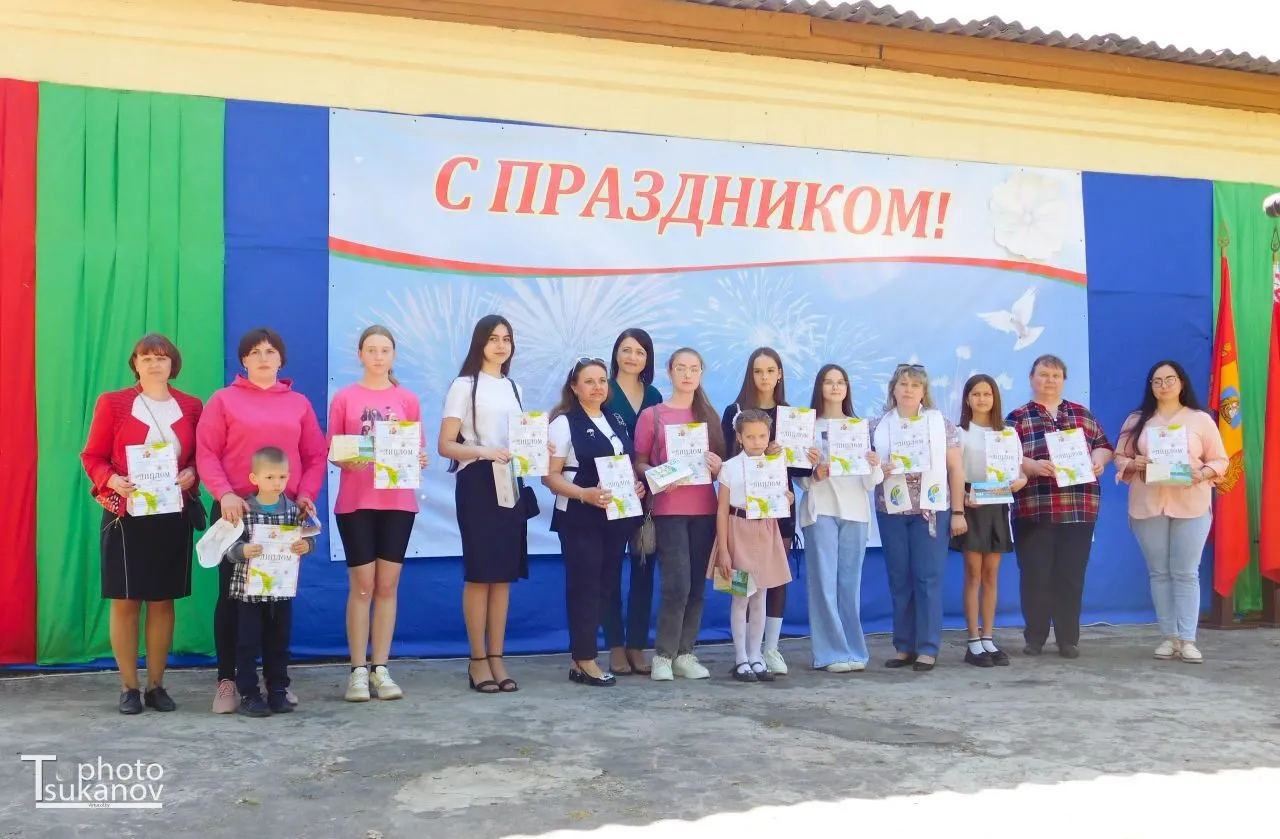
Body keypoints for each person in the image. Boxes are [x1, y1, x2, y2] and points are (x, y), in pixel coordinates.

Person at [196, 327, 327, 713]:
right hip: (236, 513)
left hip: (283, 516)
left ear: (281, 359)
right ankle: (228, 681)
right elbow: (206, 453)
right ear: (243, 360)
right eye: (255, 352)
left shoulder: (299, 404)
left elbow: (315, 455)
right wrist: (225, 493)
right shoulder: (222, 401)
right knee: (232, 599)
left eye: (270, 351)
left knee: (276, 599)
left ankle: (276, 683)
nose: (263, 357)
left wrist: (305, 495)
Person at [80, 333, 203, 715]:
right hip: (125, 514)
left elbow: (200, 458)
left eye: (161, 357)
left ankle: (156, 685)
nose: (154, 364)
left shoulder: (192, 406)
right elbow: (92, 456)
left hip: (171, 514)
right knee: (126, 600)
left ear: (173, 364)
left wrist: (192, 474)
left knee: (163, 600)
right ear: (135, 363)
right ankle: (129, 687)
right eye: (146, 357)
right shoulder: (113, 403)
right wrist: (112, 480)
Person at [329, 325, 429, 702]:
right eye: (371, 350)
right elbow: (334, 450)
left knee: (387, 586)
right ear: (360, 355)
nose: (378, 356)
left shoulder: (407, 399)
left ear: (393, 355)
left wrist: (419, 458)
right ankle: (357, 671)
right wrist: (347, 460)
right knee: (362, 586)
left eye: (384, 350)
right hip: (356, 503)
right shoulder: (344, 397)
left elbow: (417, 449)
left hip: (398, 503)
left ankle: (381, 668)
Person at [438, 315, 530, 694]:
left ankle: (497, 656)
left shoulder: (515, 387)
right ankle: (477, 660)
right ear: (480, 343)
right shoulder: (464, 385)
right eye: (493, 338)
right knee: (480, 573)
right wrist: (483, 451)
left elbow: (520, 440)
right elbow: (446, 444)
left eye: (506, 338)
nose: (500, 345)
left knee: (503, 575)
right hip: (477, 482)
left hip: (510, 482)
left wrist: (537, 448)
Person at [1114, 360, 1227, 663]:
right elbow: (1119, 456)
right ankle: (1170, 637)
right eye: (1157, 381)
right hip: (1148, 504)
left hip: (1191, 504)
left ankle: (1188, 640)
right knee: (1160, 573)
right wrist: (1132, 462)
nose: (1163, 386)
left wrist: (1201, 474)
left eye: (1169, 379)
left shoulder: (1200, 420)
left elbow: (1220, 460)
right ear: (1150, 386)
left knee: (1186, 573)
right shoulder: (1137, 420)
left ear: (1182, 383)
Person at [543, 358, 646, 686]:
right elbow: (549, 476)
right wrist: (583, 494)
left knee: (606, 586)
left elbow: (624, 465)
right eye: (589, 381)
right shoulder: (564, 423)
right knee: (584, 586)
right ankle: (584, 659)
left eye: (602, 380)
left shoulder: (615, 419)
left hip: (615, 516)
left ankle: (583, 659)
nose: (597, 387)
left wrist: (635, 486)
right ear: (574, 387)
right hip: (579, 516)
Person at [1005, 354, 1113, 659]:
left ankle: (1068, 639)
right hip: (1033, 508)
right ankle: (1035, 637)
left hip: (1079, 507)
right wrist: (1031, 465)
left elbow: (1104, 446)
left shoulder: (1082, 414)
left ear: (1064, 380)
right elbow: (1004, 457)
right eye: (1043, 374)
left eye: (1055, 375)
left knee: (1071, 576)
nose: (1049, 380)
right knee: (1034, 575)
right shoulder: (1016, 418)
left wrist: (1098, 461)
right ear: (1031, 378)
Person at [719, 347, 813, 675]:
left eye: (770, 370)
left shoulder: (790, 415)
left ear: (779, 374)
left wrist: (804, 459)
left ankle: (768, 650)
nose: (764, 377)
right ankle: (743, 656)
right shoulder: (734, 411)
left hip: (776, 515)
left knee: (772, 582)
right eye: (758, 371)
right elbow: (726, 459)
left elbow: (798, 470)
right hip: (741, 523)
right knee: (743, 591)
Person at [634, 348, 725, 682]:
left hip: (705, 511)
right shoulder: (653, 416)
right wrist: (658, 475)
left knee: (697, 586)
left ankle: (686, 654)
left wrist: (718, 466)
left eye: (694, 369)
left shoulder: (709, 416)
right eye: (681, 368)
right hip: (668, 511)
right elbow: (638, 462)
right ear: (670, 372)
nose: (687, 375)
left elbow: (722, 465)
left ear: (701, 374)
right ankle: (663, 655)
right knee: (676, 584)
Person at [870, 364, 967, 673]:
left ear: (924, 391)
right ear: (893, 389)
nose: (909, 389)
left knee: (927, 579)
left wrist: (959, 512)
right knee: (899, 579)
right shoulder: (876, 427)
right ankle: (904, 646)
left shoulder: (941, 424)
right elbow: (866, 468)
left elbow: (956, 469)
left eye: (915, 385)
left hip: (932, 510)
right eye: (903, 384)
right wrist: (877, 468)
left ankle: (927, 647)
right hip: (892, 511)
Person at [797, 364, 883, 673]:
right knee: (823, 584)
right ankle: (829, 654)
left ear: (847, 388)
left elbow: (871, 481)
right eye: (829, 382)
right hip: (821, 510)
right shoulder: (807, 427)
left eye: (841, 382)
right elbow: (800, 479)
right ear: (819, 387)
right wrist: (814, 473)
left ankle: (854, 651)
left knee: (849, 585)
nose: (835, 387)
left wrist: (874, 463)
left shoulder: (859, 427)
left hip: (855, 512)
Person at [222, 447, 316, 717]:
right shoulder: (244, 510)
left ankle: (277, 690)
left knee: (279, 642)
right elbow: (227, 549)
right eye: (270, 477)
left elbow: (310, 536)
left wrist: (306, 545)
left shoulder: (294, 510)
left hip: (280, 591)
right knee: (247, 643)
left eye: (283, 477)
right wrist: (242, 550)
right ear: (254, 478)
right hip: (249, 592)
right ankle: (249, 694)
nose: (277, 483)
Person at [714, 409, 795, 682]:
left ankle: (756, 656)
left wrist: (787, 499)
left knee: (760, 596)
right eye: (750, 436)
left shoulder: (775, 465)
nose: (757, 441)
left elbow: (781, 498)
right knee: (741, 597)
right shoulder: (729, 468)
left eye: (762, 435)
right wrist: (724, 550)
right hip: (738, 532)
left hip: (766, 532)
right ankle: (740, 659)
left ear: (769, 435)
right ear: (739, 437)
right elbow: (722, 510)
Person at [601, 328, 664, 676]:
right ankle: (615, 644)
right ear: (616, 354)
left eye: (640, 352)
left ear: (647, 359)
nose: (632, 357)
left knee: (643, 567)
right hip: (610, 493)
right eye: (626, 350)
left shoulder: (654, 395)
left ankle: (637, 644)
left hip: (646, 495)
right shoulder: (603, 389)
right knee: (609, 569)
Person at [952, 374, 1026, 667]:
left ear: (995, 398)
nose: (982, 399)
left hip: (997, 504)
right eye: (976, 394)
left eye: (987, 394)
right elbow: (952, 473)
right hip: (971, 504)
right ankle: (972, 641)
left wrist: (1020, 480)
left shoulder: (1008, 433)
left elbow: (1018, 471)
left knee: (991, 575)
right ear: (967, 399)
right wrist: (960, 500)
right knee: (973, 573)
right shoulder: (959, 432)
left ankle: (988, 638)